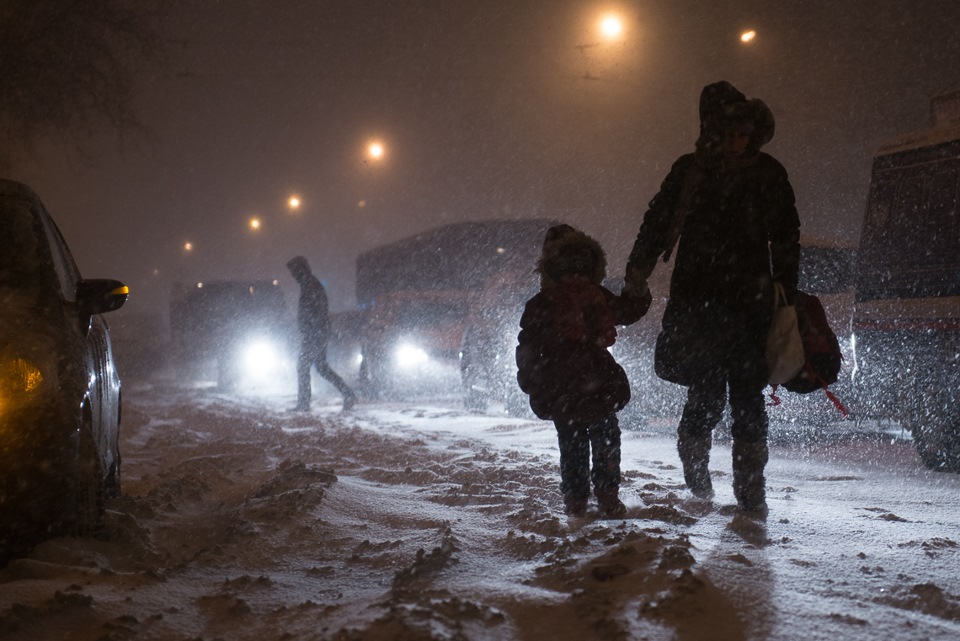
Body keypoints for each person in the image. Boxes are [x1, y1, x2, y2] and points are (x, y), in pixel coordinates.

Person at [621, 81, 801, 516]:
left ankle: (750, 487)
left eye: (744, 132)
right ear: (712, 132)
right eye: (729, 133)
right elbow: (657, 220)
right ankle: (696, 462)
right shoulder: (690, 171)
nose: (738, 142)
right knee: (706, 390)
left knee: (748, 393)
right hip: (698, 300)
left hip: (750, 304)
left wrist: (785, 290)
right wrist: (637, 270)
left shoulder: (768, 173)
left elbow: (787, 235)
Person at [516, 224, 649, 518]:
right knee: (605, 440)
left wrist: (532, 380)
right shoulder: (595, 295)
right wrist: (637, 288)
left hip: (563, 385)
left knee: (574, 444)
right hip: (596, 381)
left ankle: (578, 500)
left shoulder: (542, 303)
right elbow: (626, 310)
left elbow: (528, 347)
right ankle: (605, 496)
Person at [286, 256, 357, 412]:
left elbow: (317, 311)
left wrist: (311, 329)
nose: (293, 276)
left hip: (315, 334)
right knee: (322, 368)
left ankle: (304, 403)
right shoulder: (309, 284)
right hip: (317, 332)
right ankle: (348, 393)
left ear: (300, 270)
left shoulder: (310, 285)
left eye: (293, 272)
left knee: (303, 366)